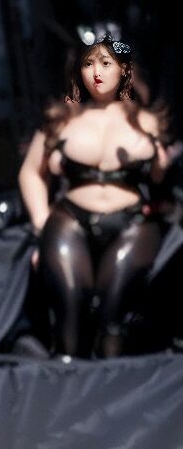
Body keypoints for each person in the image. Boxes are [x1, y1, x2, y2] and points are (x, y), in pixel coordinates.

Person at [17, 30, 172, 358]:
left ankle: (111, 383)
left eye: (106, 63)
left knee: (112, 316)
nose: (96, 73)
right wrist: (41, 222)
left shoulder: (148, 121)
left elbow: (161, 180)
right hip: (69, 220)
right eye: (88, 64)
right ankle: (68, 381)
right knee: (69, 312)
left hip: (132, 222)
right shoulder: (62, 119)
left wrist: (160, 165)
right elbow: (31, 172)